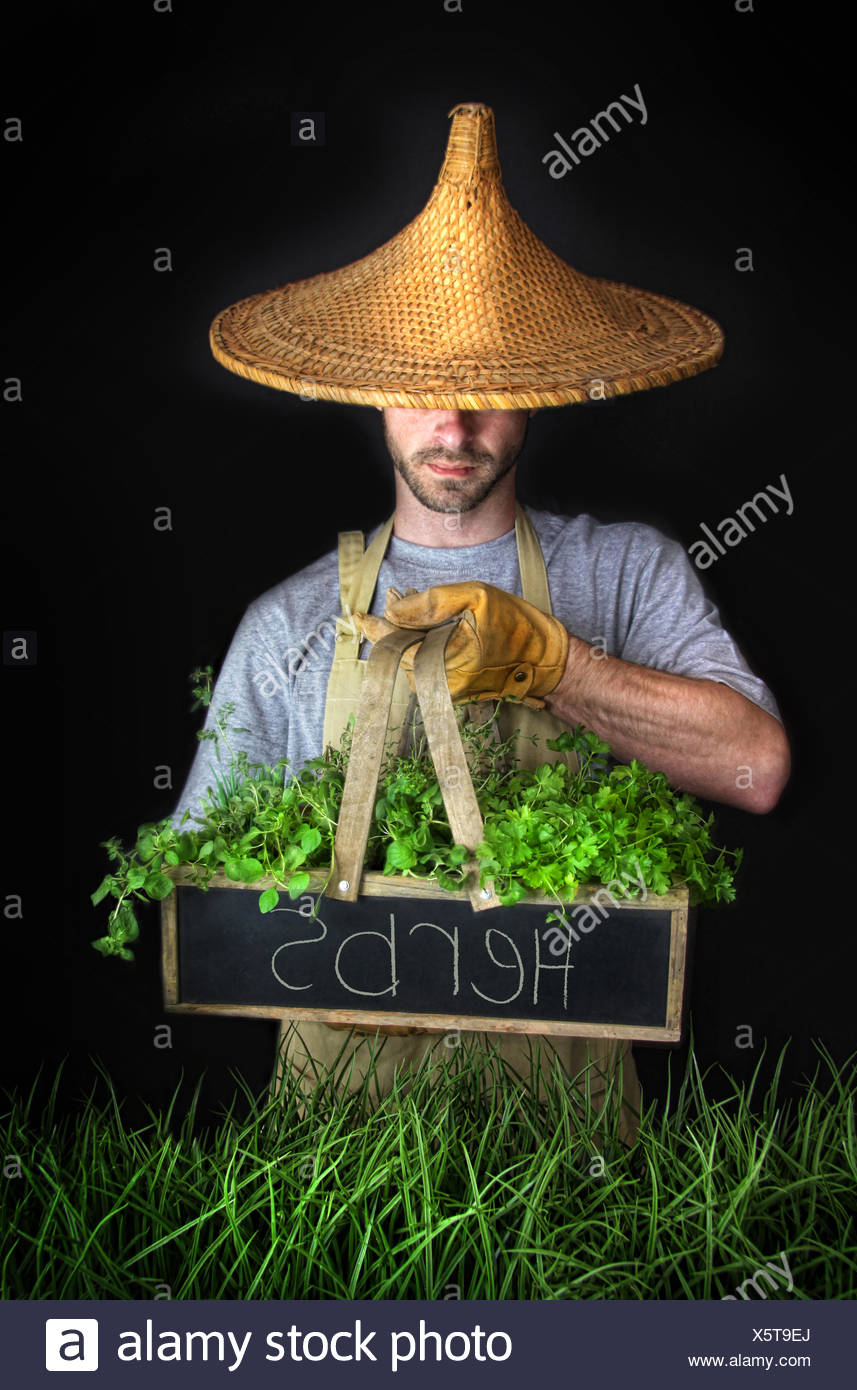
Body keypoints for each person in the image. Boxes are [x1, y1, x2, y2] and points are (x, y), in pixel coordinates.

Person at [171, 103, 791, 1145]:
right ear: (376, 399)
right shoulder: (287, 621)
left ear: (536, 398)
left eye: (486, 391)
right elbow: (206, 894)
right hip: (340, 1154)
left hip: (573, 1143)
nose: (452, 425)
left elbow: (755, 769)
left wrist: (558, 666)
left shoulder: (625, 573)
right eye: (421, 391)